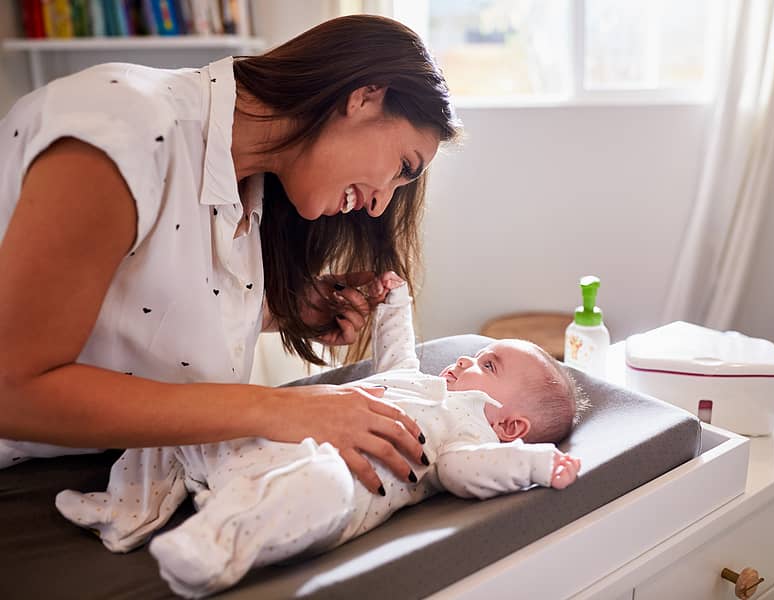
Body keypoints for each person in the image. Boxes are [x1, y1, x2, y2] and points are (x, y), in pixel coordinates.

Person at [0, 15, 461, 493]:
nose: (380, 204)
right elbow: (12, 391)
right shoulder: (125, 134)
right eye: (402, 166)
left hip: (127, 469)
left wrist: (286, 309)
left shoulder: (250, 185)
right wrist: (277, 409)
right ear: (365, 97)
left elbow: (134, 310)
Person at [56, 273, 586, 598]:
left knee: (321, 485)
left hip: (317, 477)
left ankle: (212, 547)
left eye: (488, 366)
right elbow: (397, 354)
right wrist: (394, 302)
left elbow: (459, 472)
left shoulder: (467, 437)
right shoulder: (418, 381)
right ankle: (125, 510)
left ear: (510, 426)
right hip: (259, 445)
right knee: (186, 417)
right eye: (478, 354)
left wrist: (533, 463)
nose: (467, 359)